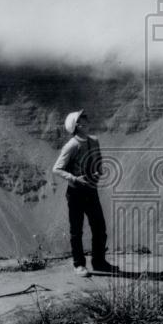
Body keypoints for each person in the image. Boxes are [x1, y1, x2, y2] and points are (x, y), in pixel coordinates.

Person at [52, 110, 118, 276]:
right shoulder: (72, 145)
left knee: (99, 228)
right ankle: (79, 265)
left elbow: (98, 161)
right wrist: (74, 178)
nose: (88, 120)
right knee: (77, 230)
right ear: (77, 126)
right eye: (83, 119)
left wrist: (98, 171)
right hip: (75, 194)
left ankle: (99, 262)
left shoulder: (94, 141)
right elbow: (57, 169)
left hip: (91, 190)